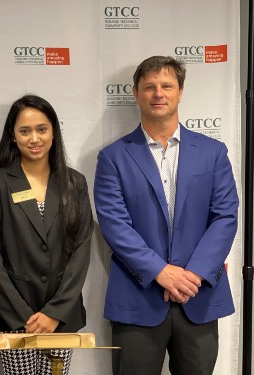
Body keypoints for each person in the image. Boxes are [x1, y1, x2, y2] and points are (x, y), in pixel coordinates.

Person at [93, 56, 239, 375]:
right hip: (138, 300)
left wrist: (194, 274)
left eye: (166, 85)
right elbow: (115, 225)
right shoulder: (113, 158)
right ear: (136, 93)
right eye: (150, 86)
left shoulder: (213, 153)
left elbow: (225, 217)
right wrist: (161, 271)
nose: (158, 93)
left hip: (198, 297)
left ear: (180, 92)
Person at [0, 94, 94, 374]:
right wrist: (22, 315)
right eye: (25, 130)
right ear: (12, 135)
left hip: (61, 316)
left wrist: (55, 312)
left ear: (54, 131)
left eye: (42, 129)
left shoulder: (74, 182)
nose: (34, 138)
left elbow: (81, 250)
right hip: (14, 317)